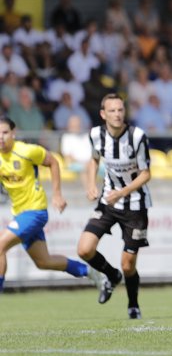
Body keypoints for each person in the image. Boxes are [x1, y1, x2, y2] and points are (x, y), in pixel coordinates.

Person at [0, 116, 101, 292]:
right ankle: (90, 272)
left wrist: (57, 195)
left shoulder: (26, 151)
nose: (1, 137)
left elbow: (53, 162)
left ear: (13, 134)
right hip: (19, 213)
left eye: (5, 132)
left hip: (35, 212)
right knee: (43, 261)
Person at [77, 93, 153, 319]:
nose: (117, 114)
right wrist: (91, 185)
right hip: (107, 202)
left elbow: (146, 174)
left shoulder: (137, 137)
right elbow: (93, 160)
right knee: (84, 249)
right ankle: (111, 275)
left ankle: (133, 305)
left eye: (120, 110)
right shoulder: (95, 135)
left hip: (135, 206)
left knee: (128, 264)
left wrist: (122, 192)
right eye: (112, 111)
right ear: (103, 114)